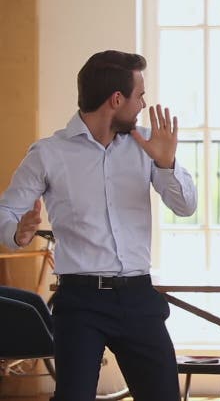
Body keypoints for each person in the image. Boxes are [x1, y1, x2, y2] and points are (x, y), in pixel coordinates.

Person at [0, 50, 197, 400]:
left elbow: (185, 206)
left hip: (138, 297)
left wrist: (167, 164)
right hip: (80, 302)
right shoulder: (49, 153)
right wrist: (17, 232)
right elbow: (7, 212)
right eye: (139, 96)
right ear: (116, 99)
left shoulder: (148, 146)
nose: (143, 105)